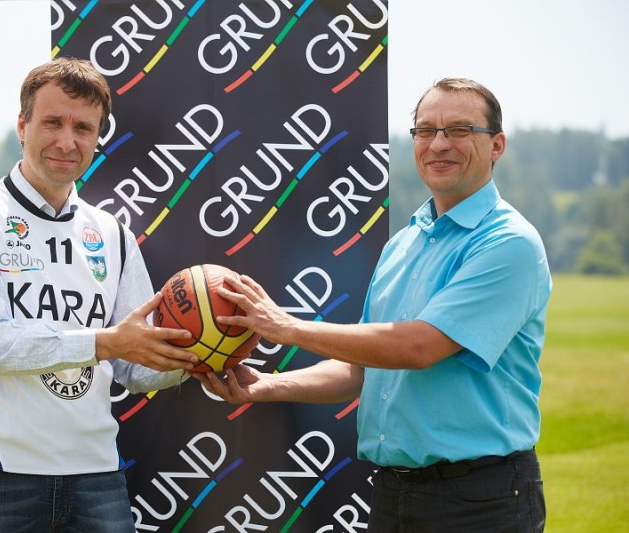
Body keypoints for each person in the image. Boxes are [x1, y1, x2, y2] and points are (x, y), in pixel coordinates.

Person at [193, 78, 550, 532]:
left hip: (479, 499)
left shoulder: (508, 242)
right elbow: (361, 369)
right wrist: (266, 385)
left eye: (460, 130)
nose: (439, 144)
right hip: (392, 493)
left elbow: (419, 347)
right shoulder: (403, 244)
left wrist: (286, 326)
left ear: (496, 145)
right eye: (425, 130)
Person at [0, 57, 199, 532]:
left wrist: (200, 355)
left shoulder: (112, 233)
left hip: (96, 474)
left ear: (97, 137)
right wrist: (106, 342)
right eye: (52, 122)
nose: (67, 142)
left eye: (83, 128)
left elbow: (135, 369)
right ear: (22, 125)